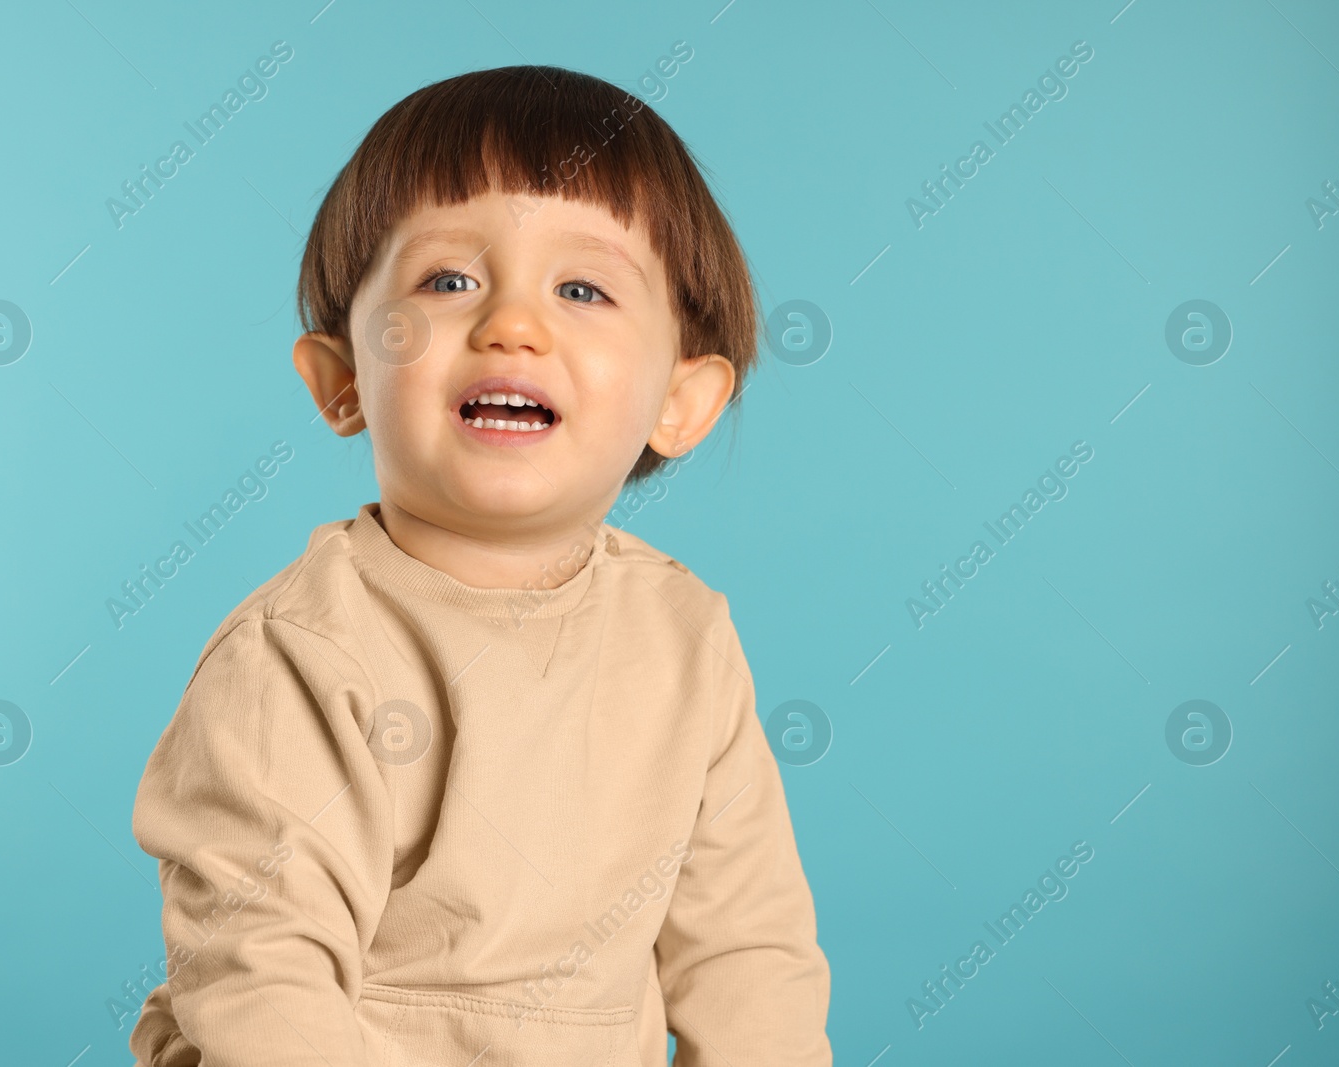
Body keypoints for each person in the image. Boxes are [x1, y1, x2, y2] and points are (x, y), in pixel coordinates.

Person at [128, 63, 831, 1066]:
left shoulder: (684, 636)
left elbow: (747, 952)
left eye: (582, 288)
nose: (511, 323)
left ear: (681, 400)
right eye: (447, 281)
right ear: (341, 381)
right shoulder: (299, 654)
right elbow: (260, 972)